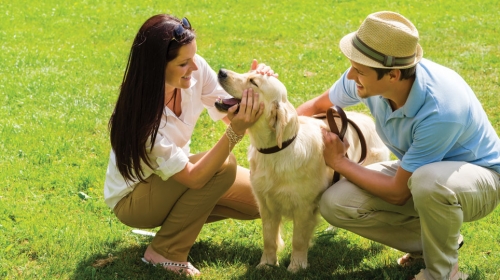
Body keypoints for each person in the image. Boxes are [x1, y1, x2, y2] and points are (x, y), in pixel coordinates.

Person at [296, 11, 500, 280]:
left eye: (359, 70)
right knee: (335, 203)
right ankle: (430, 242)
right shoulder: (363, 79)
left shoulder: (441, 108)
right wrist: (282, 141)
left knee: (428, 181)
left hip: (479, 180)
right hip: (418, 172)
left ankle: (442, 274)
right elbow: (314, 107)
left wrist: (340, 163)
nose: (350, 75)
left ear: (392, 75)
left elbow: (397, 193)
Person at [104, 14, 276, 276]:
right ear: (156, 67)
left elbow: (230, 109)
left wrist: (256, 85)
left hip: (174, 179)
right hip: (134, 200)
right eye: (184, 63)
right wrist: (234, 133)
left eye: (193, 58)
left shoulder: (193, 72)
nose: (194, 68)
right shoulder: (142, 120)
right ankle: (165, 250)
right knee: (223, 166)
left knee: (260, 199)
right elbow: (195, 179)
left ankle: (178, 226)